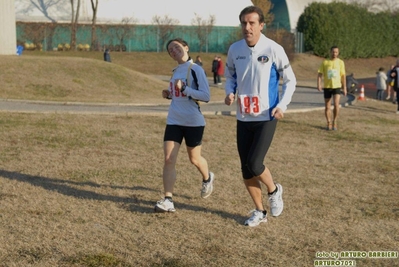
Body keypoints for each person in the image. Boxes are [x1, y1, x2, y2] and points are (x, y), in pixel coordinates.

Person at [224, 6, 296, 227]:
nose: (247, 27)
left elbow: (290, 80)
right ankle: (259, 211)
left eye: (252, 23)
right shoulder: (235, 49)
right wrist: (229, 91)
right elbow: (229, 75)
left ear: (261, 25)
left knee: (255, 163)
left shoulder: (273, 49)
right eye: (244, 23)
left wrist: (282, 105)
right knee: (246, 169)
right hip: (243, 117)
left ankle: (274, 190)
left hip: (266, 115)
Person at [154, 38, 215, 212]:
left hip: (193, 122)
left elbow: (206, 96)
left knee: (194, 159)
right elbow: (179, 95)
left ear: (186, 47)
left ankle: (207, 178)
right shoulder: (175, 71)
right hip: (174, 119)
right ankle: (168, 200)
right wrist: (169, 94)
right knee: (168, 159)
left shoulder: (196, 69)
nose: (174, 50)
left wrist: (184, 90)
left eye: (176, 47)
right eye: (170, 50)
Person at [317, 46, 347, 130]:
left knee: (337, 105)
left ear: (338, 53)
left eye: (336, 52)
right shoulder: (325, 62)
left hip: (337, 86)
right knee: (327, 106)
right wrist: (319, 84)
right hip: (327, 87)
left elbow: (343, 76)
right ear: (330, 52)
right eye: (333, 52)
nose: (334, 54)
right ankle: (328, 122)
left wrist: (344, 88)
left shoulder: (340, 62)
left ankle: (335, 121)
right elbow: (320, 74)